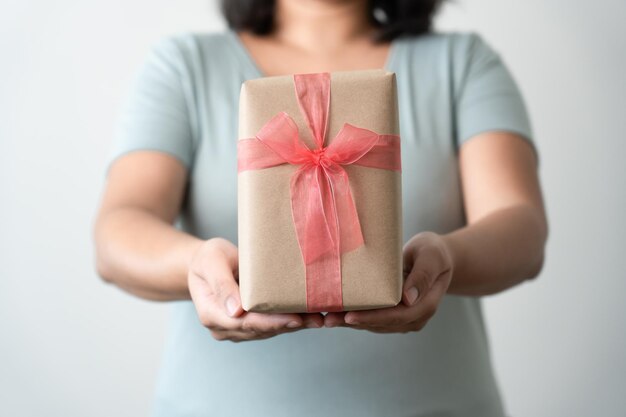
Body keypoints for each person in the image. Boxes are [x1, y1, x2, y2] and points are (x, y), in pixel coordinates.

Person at [93, 0, 548, 416]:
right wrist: (194, 264)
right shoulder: (183, 64)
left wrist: (448, 257)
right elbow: (119, 231)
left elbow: (520, 227)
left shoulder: (462, 62)